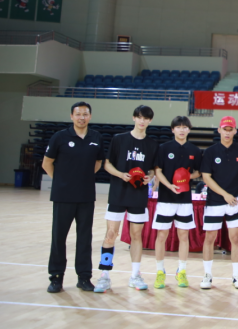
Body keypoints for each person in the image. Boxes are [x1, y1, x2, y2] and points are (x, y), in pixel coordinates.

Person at [94, 105, 158, 293]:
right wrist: (120, 175)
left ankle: (135, 275)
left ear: (150, 121)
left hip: (138, 195)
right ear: (133, 118)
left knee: (136, 236)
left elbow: (153, 169)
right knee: (110, 234)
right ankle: (104, 275)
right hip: (118, 193)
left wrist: (150, 177)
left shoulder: (152, 144)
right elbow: (107, 164)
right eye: (139, 117)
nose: (142, 121)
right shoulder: (119, 139)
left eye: (146, 118)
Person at [43, 102, 105, 293]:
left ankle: (84, 278)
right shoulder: (60, 137)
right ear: (71, 116)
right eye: (78, 114)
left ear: (90, 116)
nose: (81, 117)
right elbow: (47, 163)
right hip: (63, 196)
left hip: (86, 196)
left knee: (85, 238)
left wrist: (82, 178)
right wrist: (61, 181)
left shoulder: (96, 137)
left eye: (85, 114)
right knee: (59, 237)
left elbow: (98, 162)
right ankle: (56, 278)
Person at [200, 116, 238, 290]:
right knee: (210, 238)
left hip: (234, 202)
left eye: (231, 129)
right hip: (215, 201)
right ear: (219, 130)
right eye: (225, 129)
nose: (227, 132)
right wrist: (225, 195)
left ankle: (237, 275)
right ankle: (207, 275)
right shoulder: (210, 152)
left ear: (235, 131)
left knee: (235, 238)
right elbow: (206, 177)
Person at [152, 116, 202, 289]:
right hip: (166, 199)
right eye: (178, 127)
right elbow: (157, 171)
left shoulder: (195, 150)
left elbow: (199, 172)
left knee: (184, 236)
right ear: (172, 129)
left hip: (185, 200)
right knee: (161, 236)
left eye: (185, 127)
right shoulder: (164, 148)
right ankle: (160, 272)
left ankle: (182, 271)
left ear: (189, 129)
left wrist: (187, 177)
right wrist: (169, 185)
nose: (182, 130)